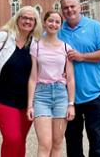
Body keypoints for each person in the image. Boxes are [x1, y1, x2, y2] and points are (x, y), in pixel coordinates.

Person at [0, 6, 42, 157]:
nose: (27, 21)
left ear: (35, 23)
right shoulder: (4, 37)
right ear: (17, 19)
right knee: (12, 138)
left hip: (26, 102)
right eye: (24, 18)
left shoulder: (36, 43)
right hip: (2, 98)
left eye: (31, 19)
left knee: (20, 140)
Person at [57, 0, 100, 157]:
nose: (69, 10)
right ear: (62, 11)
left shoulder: (95, 27)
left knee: (98, 143)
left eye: (72, 6)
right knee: (73, 144)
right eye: (66, 8)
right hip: (68, 98)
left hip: (94, 94)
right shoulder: (58, 31)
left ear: (80, 7)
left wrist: (82, 56)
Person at [27, 11, 75, 157]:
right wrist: (30, 105)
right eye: (50, 21)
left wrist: (71, 104)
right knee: (45, 143)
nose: (53, 24)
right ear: (45, 22)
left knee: (57, 142)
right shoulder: (36, 47)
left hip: (61, 95)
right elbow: (33, 77)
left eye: (57, 22)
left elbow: (71, 78)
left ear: (60, 25)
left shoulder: (66, 48)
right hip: (41, 95)